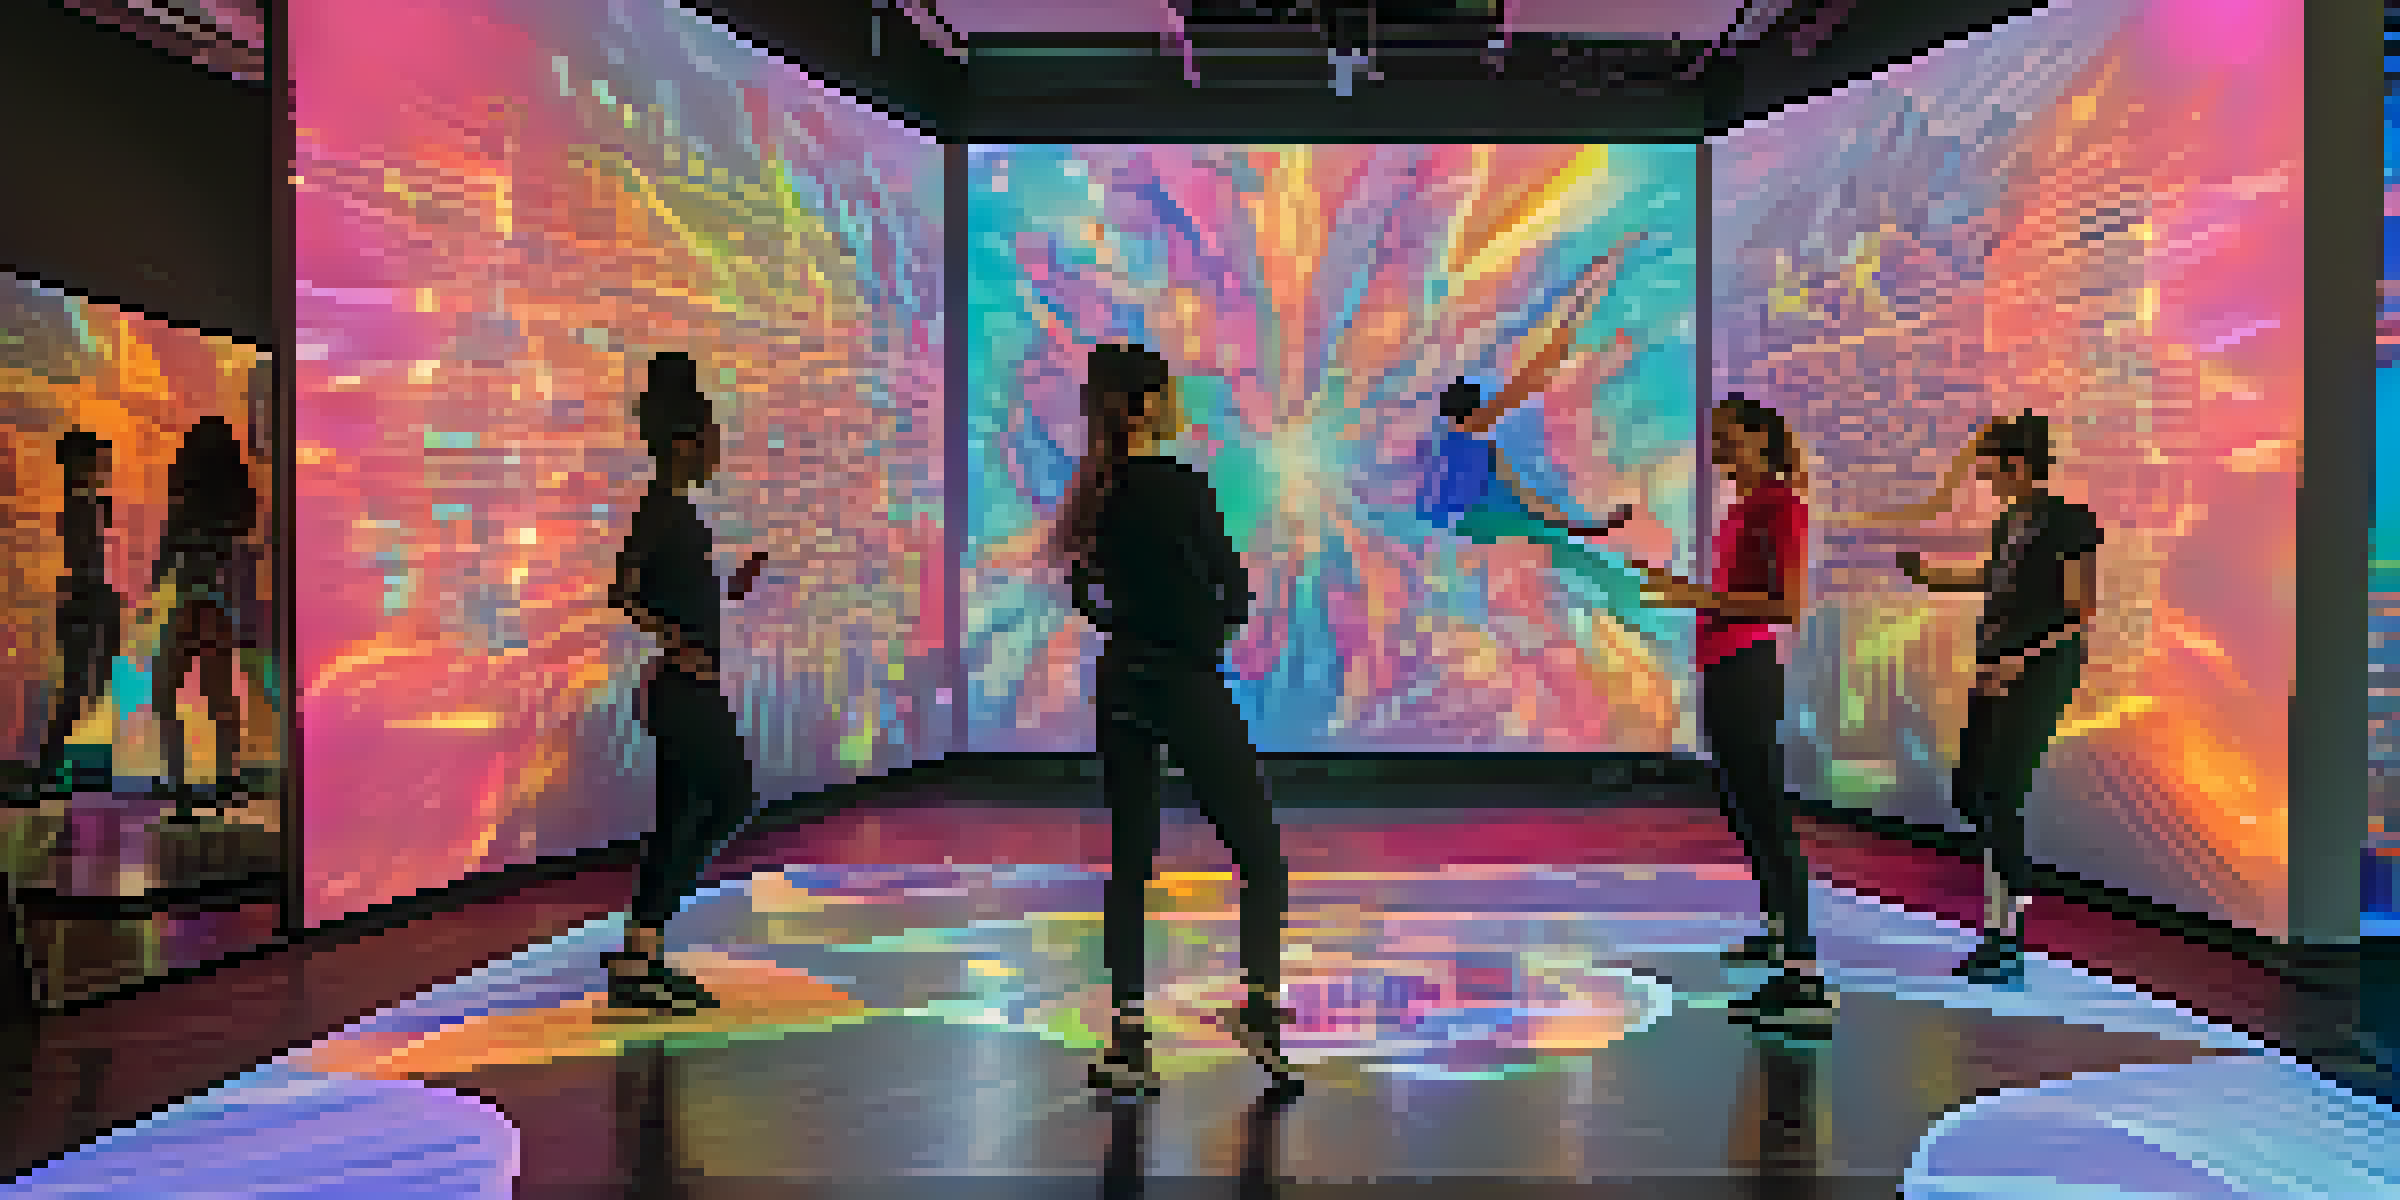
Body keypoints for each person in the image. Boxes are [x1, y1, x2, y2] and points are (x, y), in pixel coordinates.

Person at [1056, 342, 1299, 1100]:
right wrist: (1207, 623)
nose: (1178, 403)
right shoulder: (1178, 485)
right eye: (1166, 393)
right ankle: (1259, 1009)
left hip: (1122, 677)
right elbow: (1231, 589)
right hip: (1181, 681)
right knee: (1259, 854)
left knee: (1130, 859)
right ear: (1143, 407)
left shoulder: (1095, 491)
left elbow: (1086, 596)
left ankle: (1128, 1036)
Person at [1618, 393, 1836, 1033]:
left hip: (1747, 672)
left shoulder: (1781, 506)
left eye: (1729, 438)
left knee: (1766, 815)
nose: (1719, 450)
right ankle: (1776, 935)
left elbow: (1786, 605)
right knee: (1743, 809)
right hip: (1725, 670)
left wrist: (1693, 595)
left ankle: (1805, 976)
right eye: (1715, 439)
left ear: (1761, 442)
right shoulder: (1747, 509)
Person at [1895, 412, 2101, 986]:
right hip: (1996, 669)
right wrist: (1932, 578)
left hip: (2038, 671)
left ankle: (2006, 931)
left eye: (1991, 470)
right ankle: (2010, 903)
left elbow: (2080, 613)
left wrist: (2021, 659)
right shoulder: (2010, 522)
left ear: (2016, 464)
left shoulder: (2068, 521)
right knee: (1971, 790)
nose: (1984, 480)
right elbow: (1993, 578)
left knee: (2001, 789)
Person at [605, 351, 771, 1016]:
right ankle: (643, 942)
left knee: (679, 819)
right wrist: (675, 643)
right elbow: (623, 590)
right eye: (711, 441)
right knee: (731, 797)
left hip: (684, 688)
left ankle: (641, 955)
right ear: (684, 444)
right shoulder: (663, 510)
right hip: (685, 690)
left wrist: (734, 587)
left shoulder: (673, 511)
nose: (717, 454)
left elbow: (667, 594)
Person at [143, 416, 259, 823]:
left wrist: (150, 597)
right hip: (217, 607)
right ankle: (227, 780)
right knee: (219, 698)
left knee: (165, 694)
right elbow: (239, 558)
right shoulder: (233, 509)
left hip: (191, 605)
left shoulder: (185, 507)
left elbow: (163, 564)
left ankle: (180, 784)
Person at [25, 430, 122, 808]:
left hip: (86, 599)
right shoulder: (82, 506)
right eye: (97, 461)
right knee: (79, 688)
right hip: (85, 600)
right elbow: (84, 562)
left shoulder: (86, 503)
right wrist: (100, 596)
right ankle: (51, 771)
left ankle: (56, 769)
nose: (104, 468)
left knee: (83, 686)